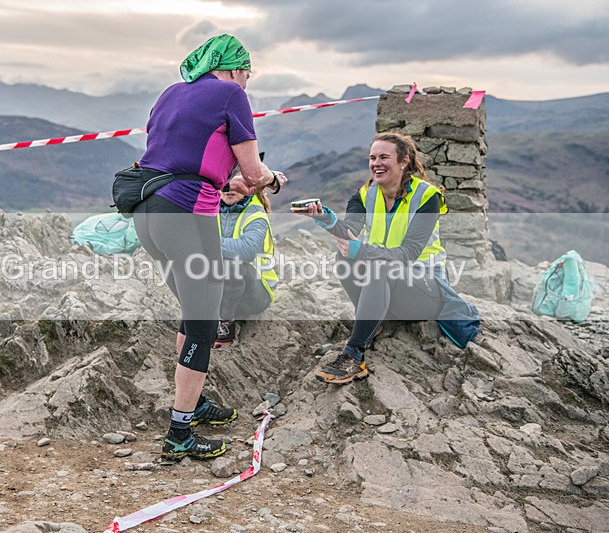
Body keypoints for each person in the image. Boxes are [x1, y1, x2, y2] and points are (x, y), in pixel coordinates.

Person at [132, 34, 287, 459]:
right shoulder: (231, 94)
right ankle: (180, 432)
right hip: (188, 217)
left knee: (191, 311)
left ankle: (193, 403)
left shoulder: (171, 93)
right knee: (204, 321)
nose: (247, 83)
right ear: (235, 68)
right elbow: (255, 173)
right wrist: (272, 180)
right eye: (248, 74)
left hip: (148, 212)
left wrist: (224, 181)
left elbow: (178, 155)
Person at [296, 131, 473, 384]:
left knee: (377, 266)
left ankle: (354, 355)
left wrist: (362, 251)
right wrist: (325, 217)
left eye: (383, 157)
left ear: (404, 161)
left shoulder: (427, 197)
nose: (376, 163)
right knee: (344, 257)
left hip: (423, 287)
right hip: (386, 284)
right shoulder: (366, 193)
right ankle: (373, 321)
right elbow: (350, 232)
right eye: (372, 157)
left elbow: (408, 253)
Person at [214, 176, 278, 347]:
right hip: (223, 288)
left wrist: (208, 243)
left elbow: (246, 251)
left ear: (250, 186)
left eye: (237, 184)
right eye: (226, 183)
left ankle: (225, 329)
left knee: (231, 265)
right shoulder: (211, 206)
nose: (230, 188)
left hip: (256, 294)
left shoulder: (255, 213)